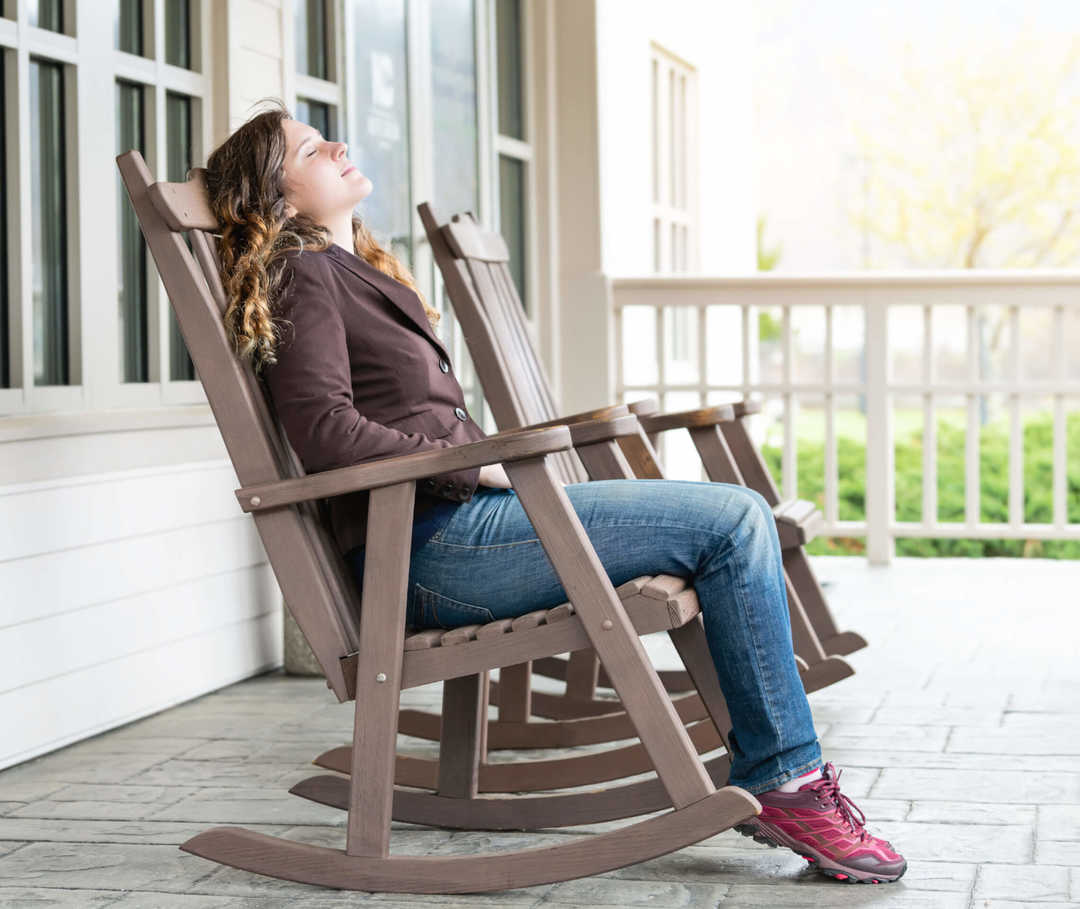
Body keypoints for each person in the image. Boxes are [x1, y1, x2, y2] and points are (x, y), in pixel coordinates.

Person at [202, 100, 906, 886]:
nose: (335, 144)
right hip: (434, 549)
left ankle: (781, 772)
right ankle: (789, 784)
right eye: (307, 148)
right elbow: (327, 433)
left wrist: (478, 467)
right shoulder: (302, 275)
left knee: (728, 524)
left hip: (460, 529)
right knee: (734, 521)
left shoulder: (350, 270)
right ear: (281, 196)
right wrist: (476, 465)